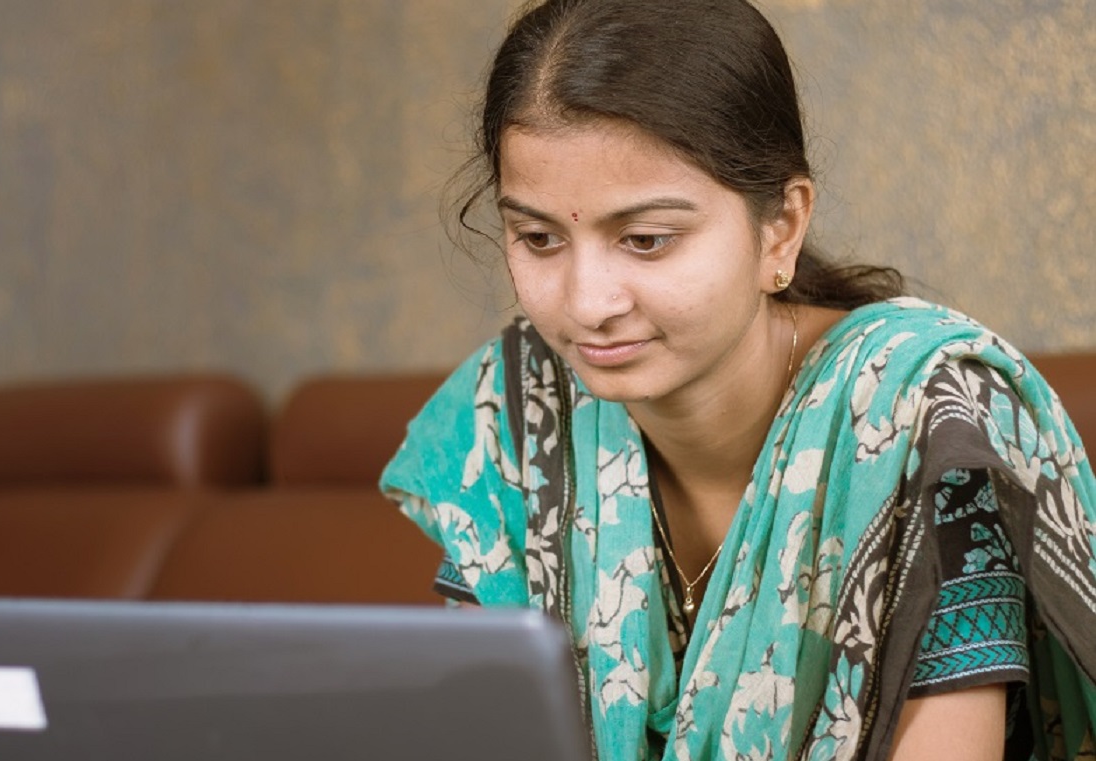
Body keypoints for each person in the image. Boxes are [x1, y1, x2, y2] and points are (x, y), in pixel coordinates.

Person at [379, 1, 1096, 759]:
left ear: (780, 227)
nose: (588, 303)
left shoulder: (925, 417)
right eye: (538, 237)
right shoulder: (519, 412)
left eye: (647, 239)